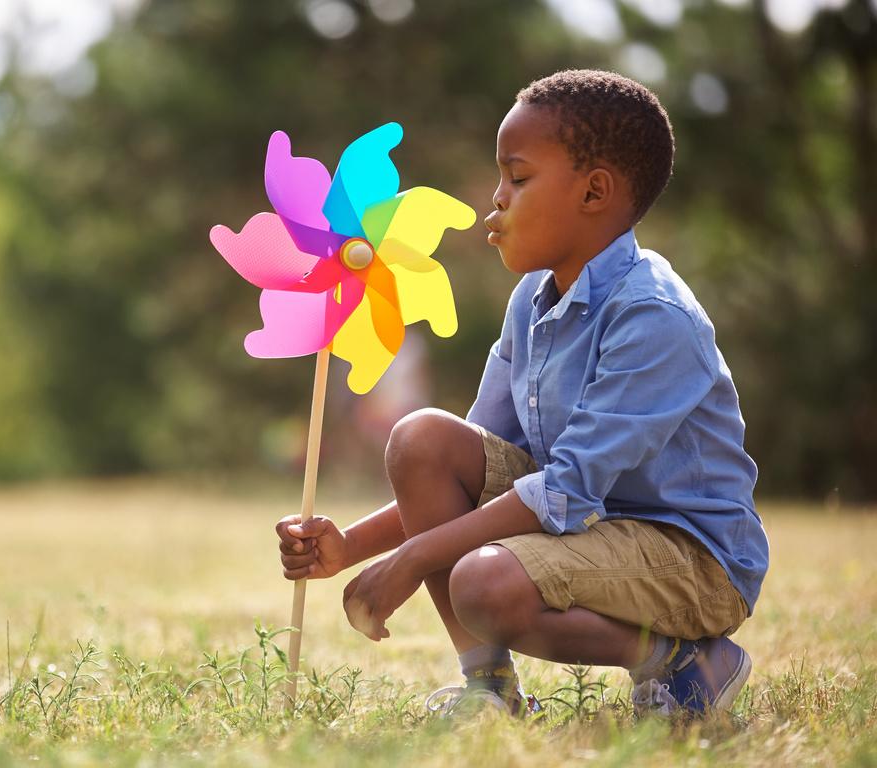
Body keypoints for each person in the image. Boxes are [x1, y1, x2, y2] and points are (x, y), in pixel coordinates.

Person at [274, 69, 769, 718]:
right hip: (590, 529)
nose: (496, 199)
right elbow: (465, 482)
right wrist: (349, 549)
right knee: (422, 439)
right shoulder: (532, 302)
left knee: (483, 581)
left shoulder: (653, 315)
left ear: (595, 192)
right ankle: (492, 692)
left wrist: (413, 558)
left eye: (518, 177)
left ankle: (688, 662)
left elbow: (565, 488)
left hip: (687, 557)